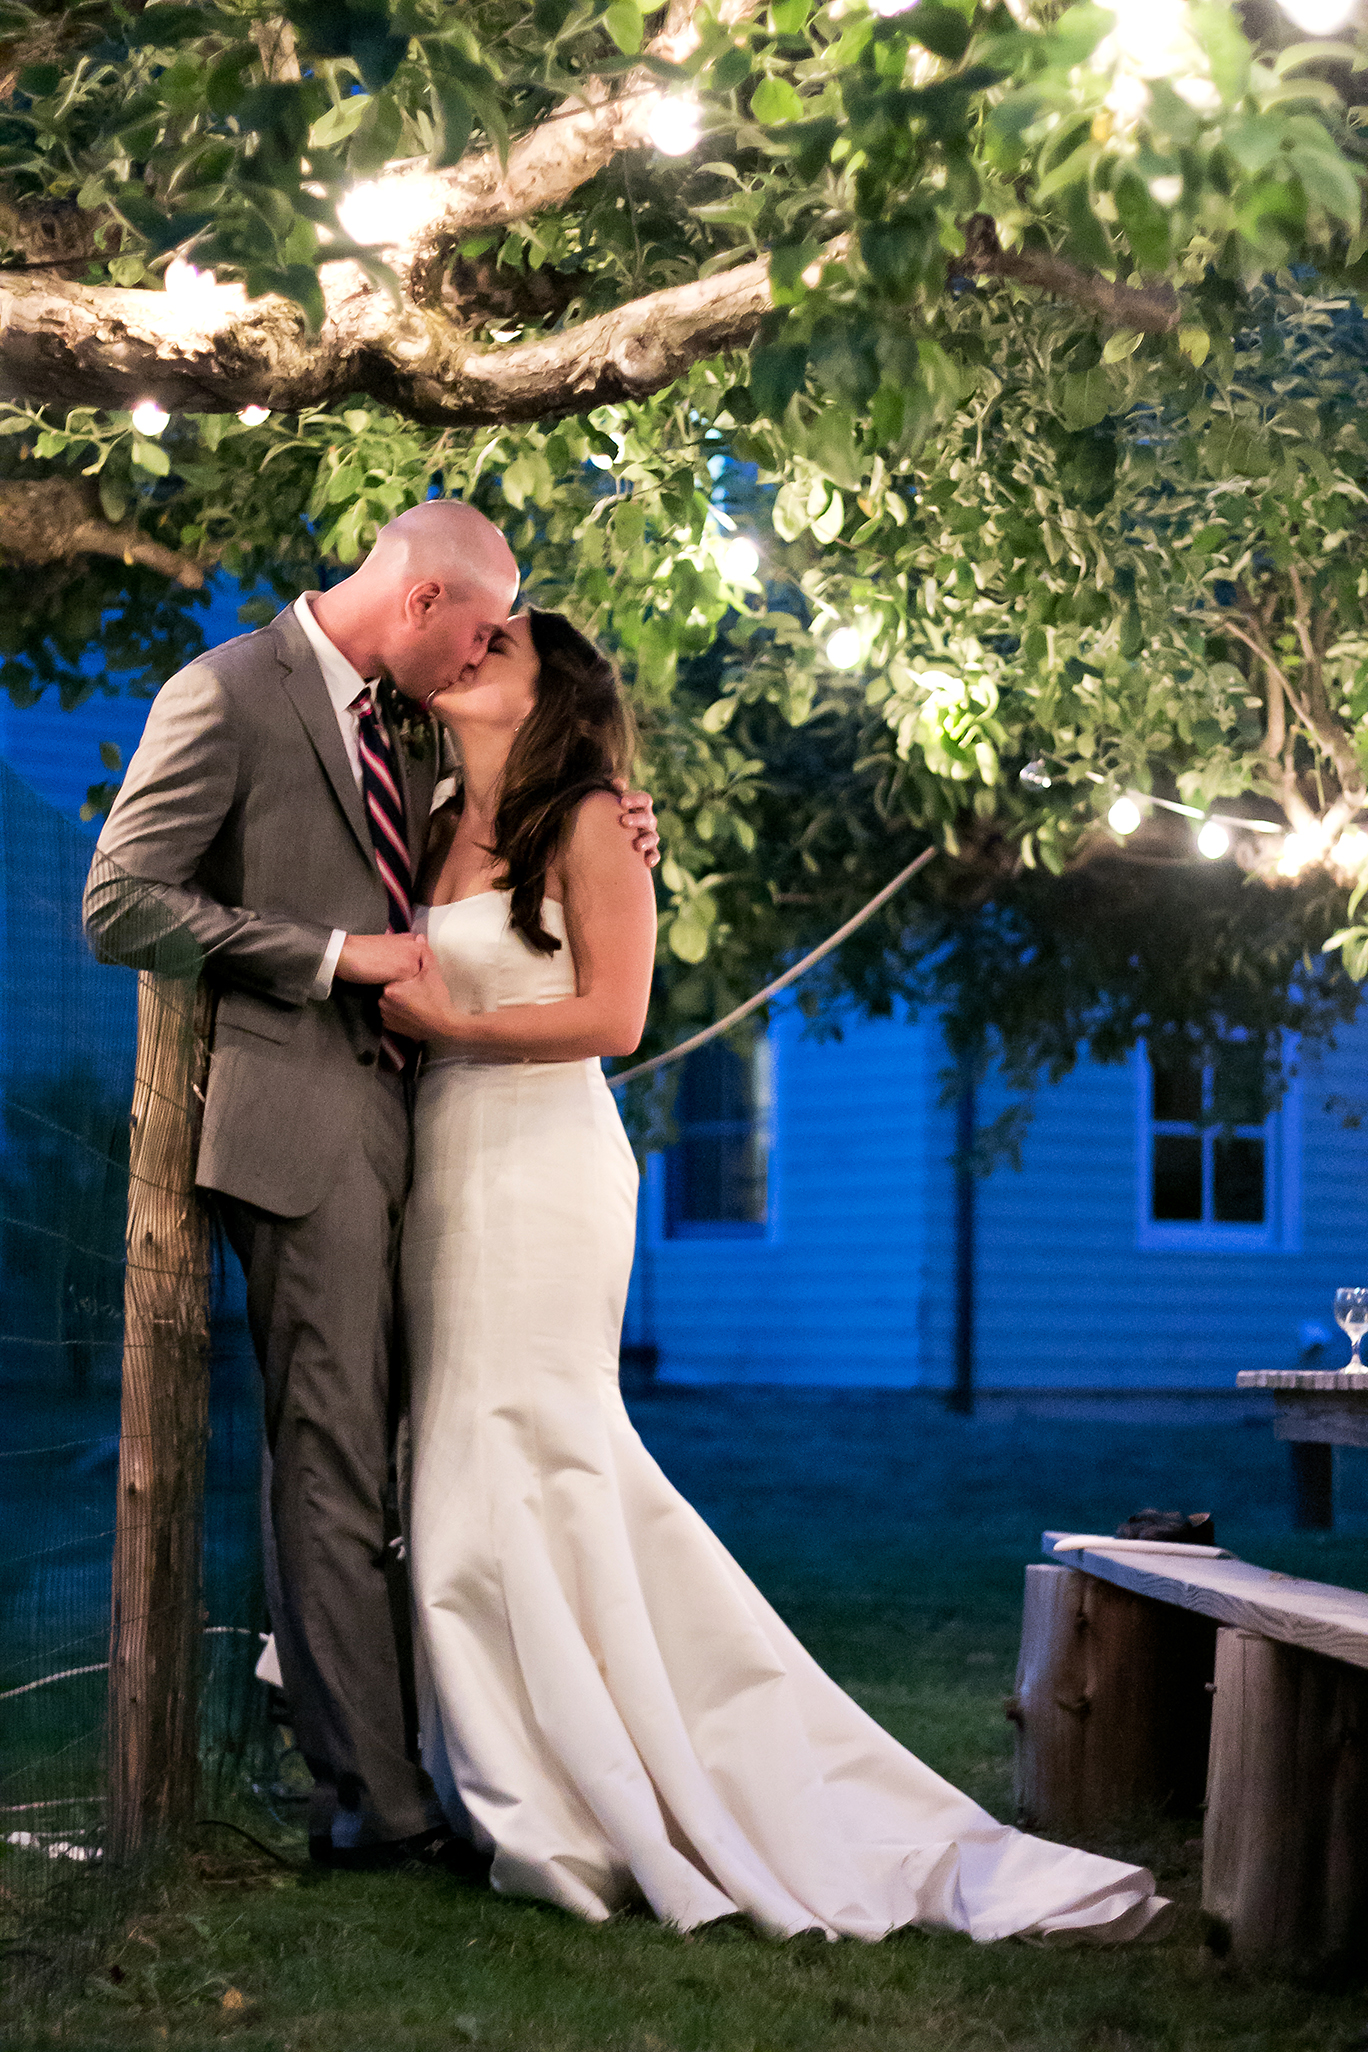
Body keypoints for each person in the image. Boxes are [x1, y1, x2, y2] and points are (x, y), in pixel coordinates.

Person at [379, 609, 1171, 1942]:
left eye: (497, 646)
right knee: (455, 1451)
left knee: (530, 1447)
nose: (466, 654)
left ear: (553, 692)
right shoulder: (428, 813)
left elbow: (617, 1016)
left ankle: (577, 1799)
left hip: (542, 1166)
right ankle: (508, 1767)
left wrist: (454, 1022)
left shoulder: (589, 822)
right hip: (445, 1165)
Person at [82, 504, 658, 1873]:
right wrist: (333, 956)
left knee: (425, 1452)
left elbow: (519, 835)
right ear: (425, 600)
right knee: (335, 1446)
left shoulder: (409, 721)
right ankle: (376, 1802)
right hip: (305, 1128)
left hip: (443, 1140)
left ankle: (457, 1745)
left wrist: (612, 812)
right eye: (481, 628)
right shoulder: (227, 694)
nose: (480, 655)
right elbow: (121, 900)